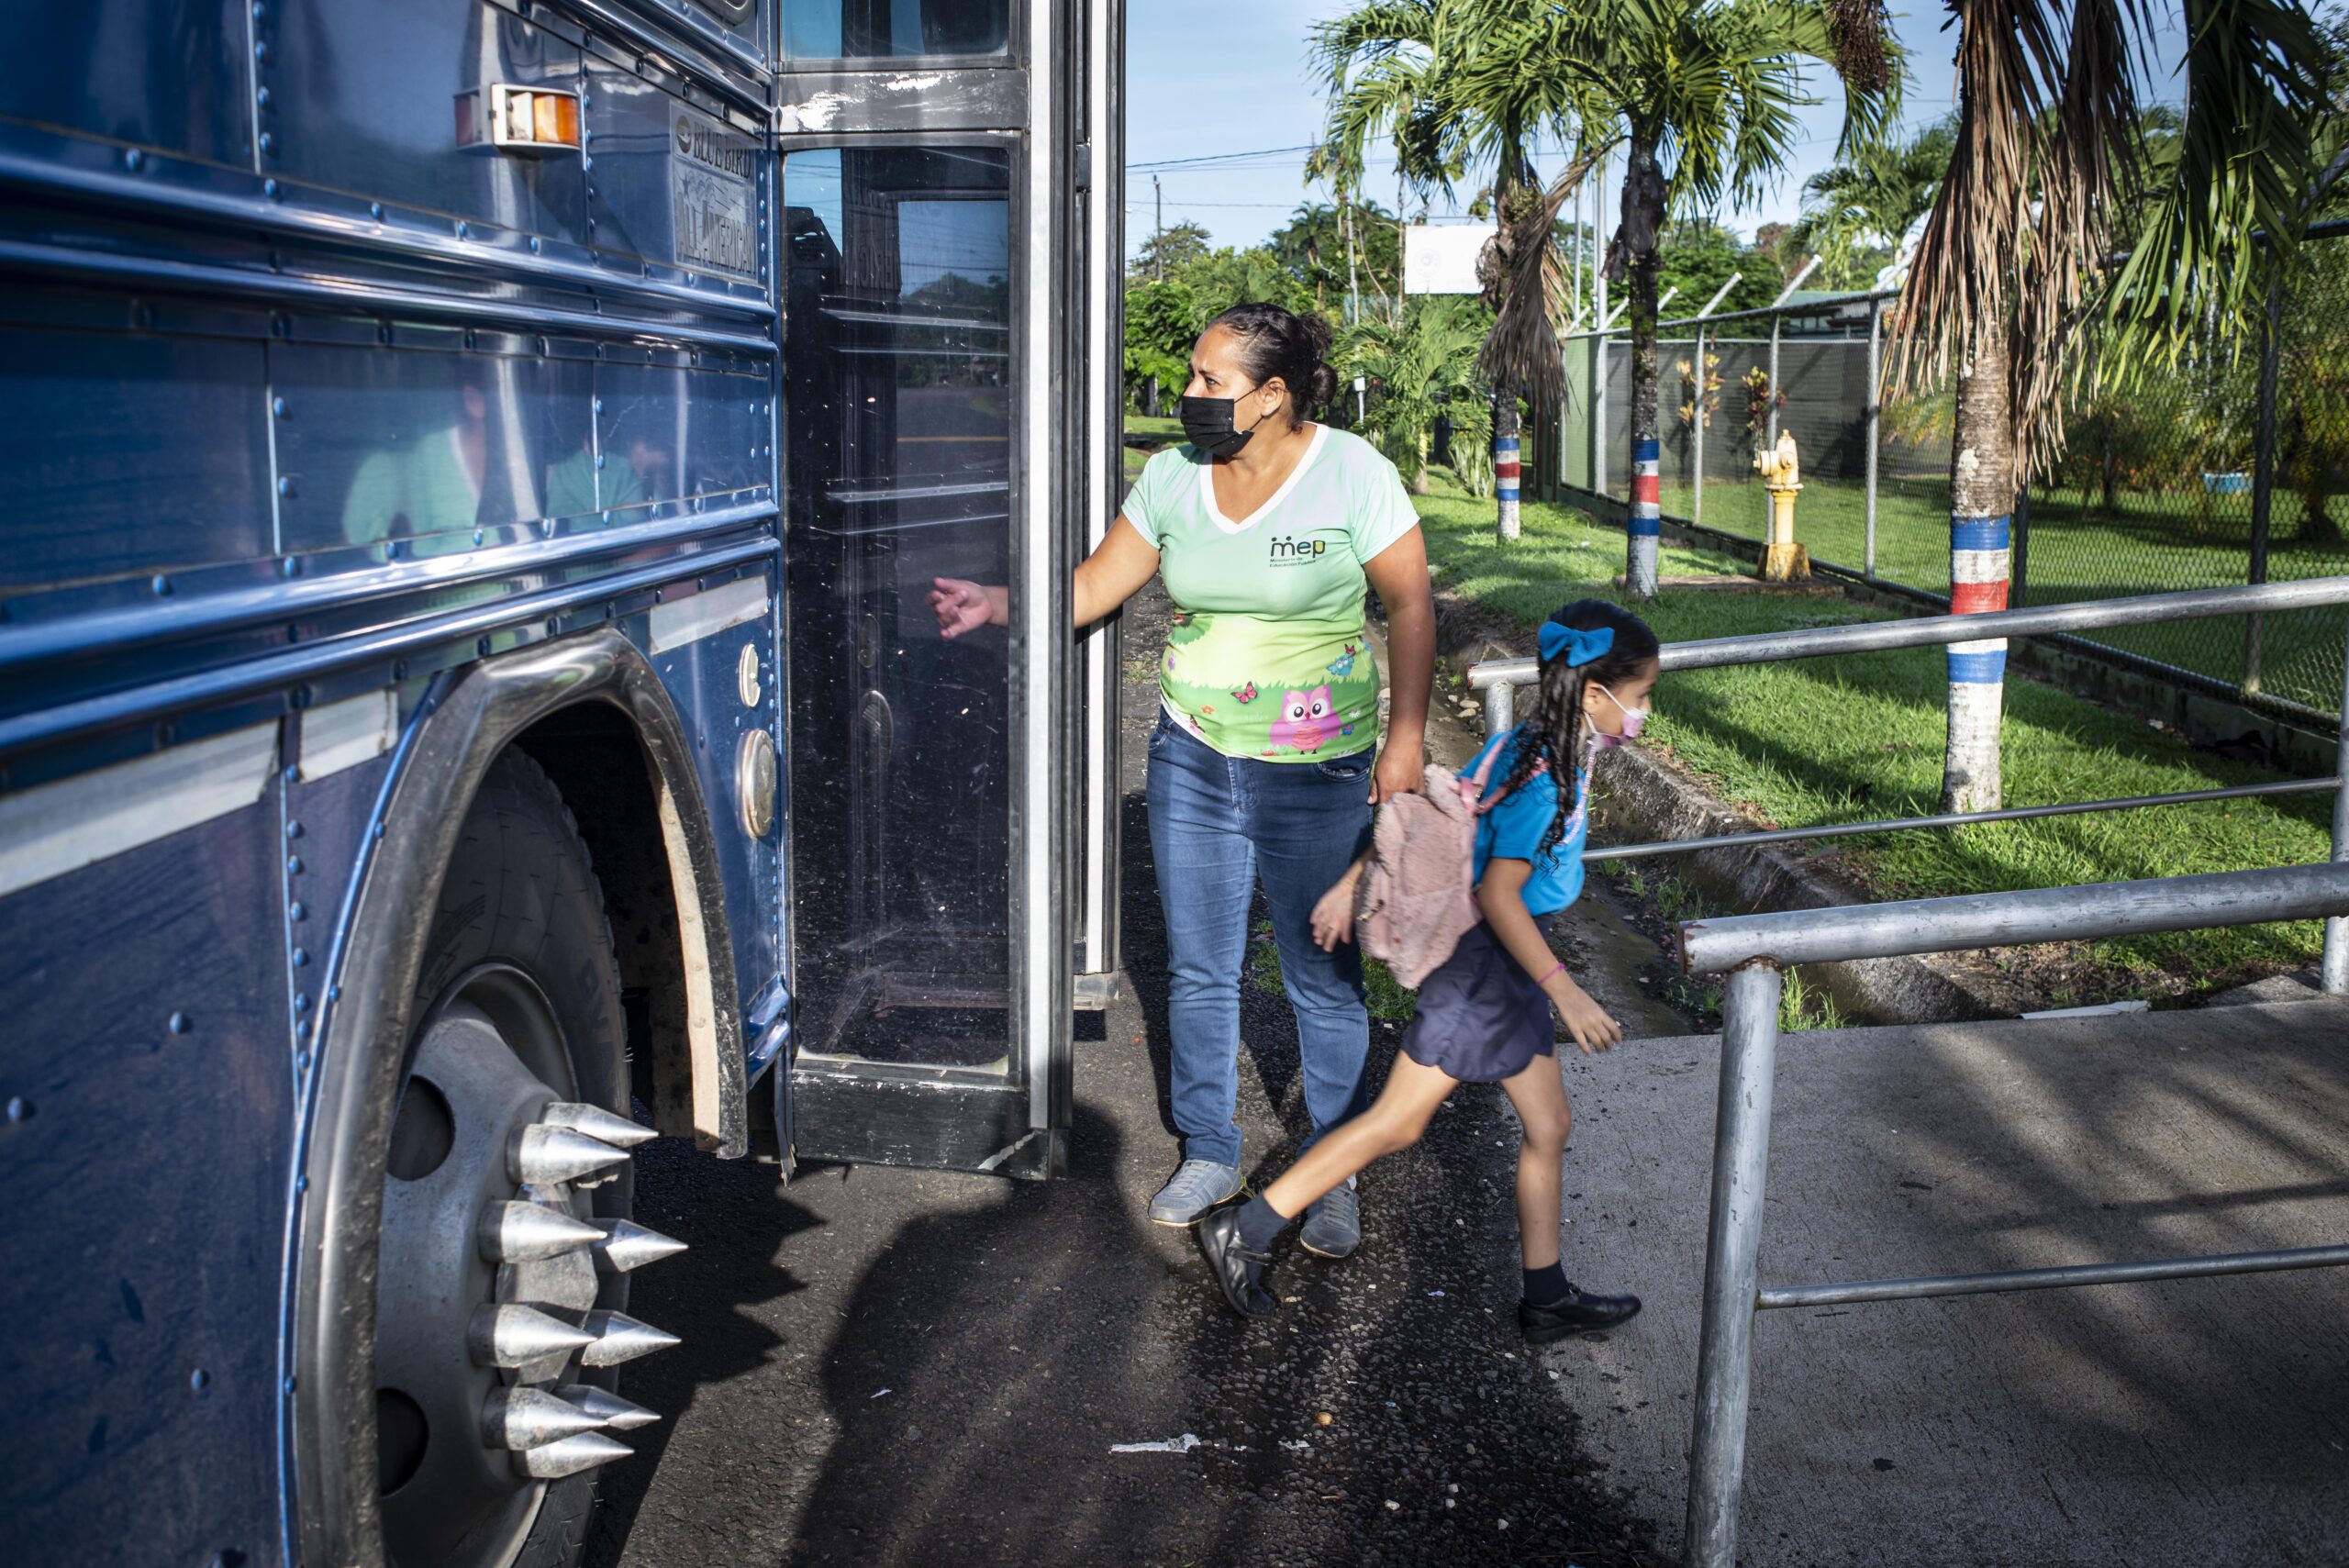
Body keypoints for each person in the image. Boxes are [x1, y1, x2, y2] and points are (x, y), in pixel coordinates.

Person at [929, 302, 1435, 1255]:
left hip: (1317, 767)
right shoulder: (1172, 476)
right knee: (1200, 969)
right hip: (1194, 755)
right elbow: (1092, 585)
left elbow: (1409, 602)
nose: (1191, 395)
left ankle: (1332, 1163)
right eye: (1194, 376)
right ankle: (1209, 1145)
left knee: (1319, 974)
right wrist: (997, 602)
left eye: (1213, 381)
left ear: (1274, 395)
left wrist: (1404, 737)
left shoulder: (1351, 472)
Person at [1195, 599, 1661, 1341]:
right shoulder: (1544, 778)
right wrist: (1565, 990)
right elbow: (1499, 895)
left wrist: (1354, 884)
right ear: (1597, 693)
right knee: (1397, 1121)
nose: (1643, 714)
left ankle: (1545, 1295)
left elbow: (1438, 811)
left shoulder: (1524, 745)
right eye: (1639, 698)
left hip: (1498, 970)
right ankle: (1244, 1227)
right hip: (1483, 967)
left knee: (1550, 1123)